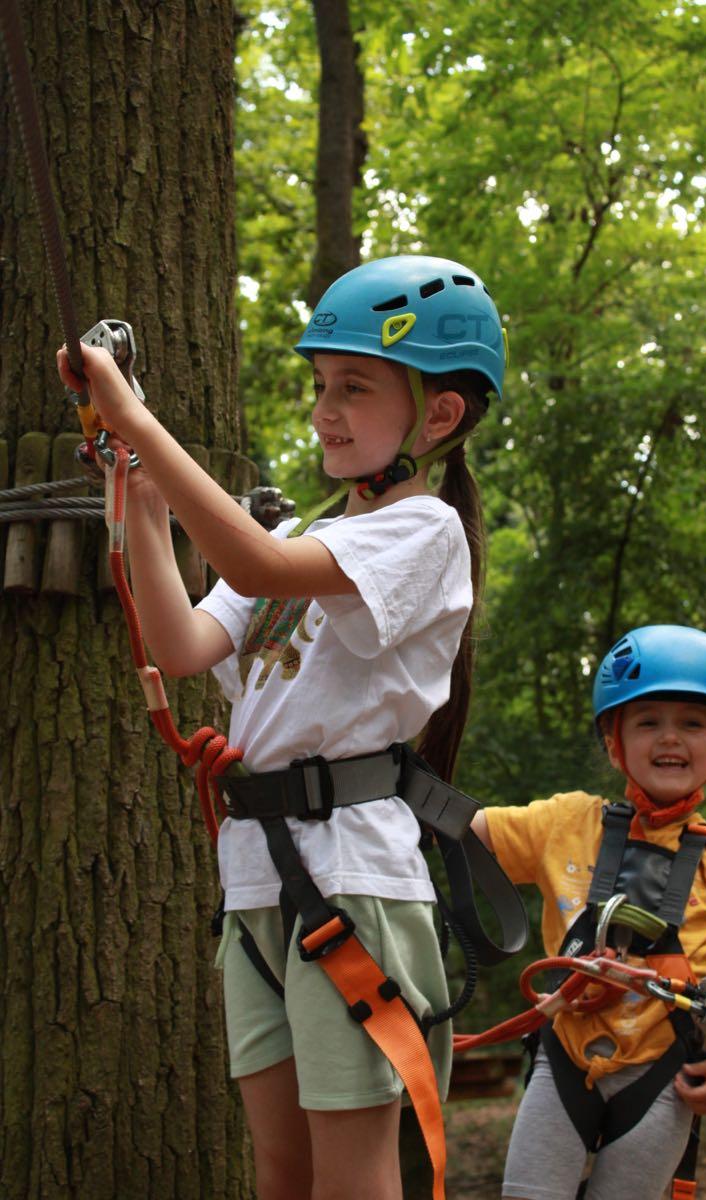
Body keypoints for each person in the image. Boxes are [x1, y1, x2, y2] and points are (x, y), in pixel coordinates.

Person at [57, 255, 508, 1200]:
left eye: (354, 387)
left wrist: (138, 416)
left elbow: (257, 567)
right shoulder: (314, 535)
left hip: (352, 884)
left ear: (438, 417)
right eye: (320, 387)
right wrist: (139, 490)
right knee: (283, 1171)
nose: (324, 410)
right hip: (259, 882)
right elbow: (182, 643)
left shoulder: (422, 533)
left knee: (350, 1178)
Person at [471, 624, 706, 1200]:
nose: (671, 738)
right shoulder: (565, 823)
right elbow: (461, 827)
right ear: (614, 742)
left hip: (664, 1074)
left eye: (692, 723)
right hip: (563, 1060)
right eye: (647, 722)